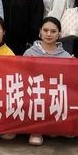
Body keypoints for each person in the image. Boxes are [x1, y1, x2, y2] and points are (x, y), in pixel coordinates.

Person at [23, 16, 72, 146]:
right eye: (45, 30)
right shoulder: (29, 53)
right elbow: (23, 76)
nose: (49, 34)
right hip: (35, 93)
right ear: (40, 31)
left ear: (59, 34)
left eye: (53, 31)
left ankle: (55, 127)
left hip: (56, 93)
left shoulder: (66, 56)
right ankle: (36, 131)